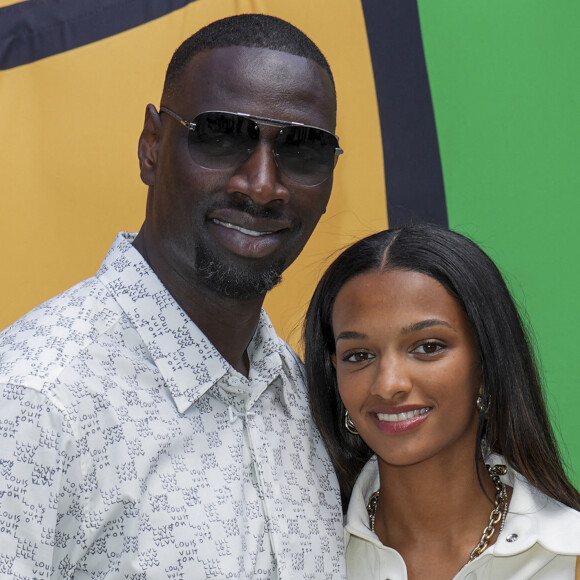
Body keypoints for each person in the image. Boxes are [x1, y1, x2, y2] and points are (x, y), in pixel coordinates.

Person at [0, 14, 346, 579]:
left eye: (303, 148)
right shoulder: (30, 403)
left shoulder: (310, 402)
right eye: (221, 134)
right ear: (152, 146)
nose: (261, 185)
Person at [304, 223, 580, 579]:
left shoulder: (569, 556)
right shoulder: (303, 556)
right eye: (359, 355)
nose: (388, 385)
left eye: (428, 347)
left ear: (485, 363)